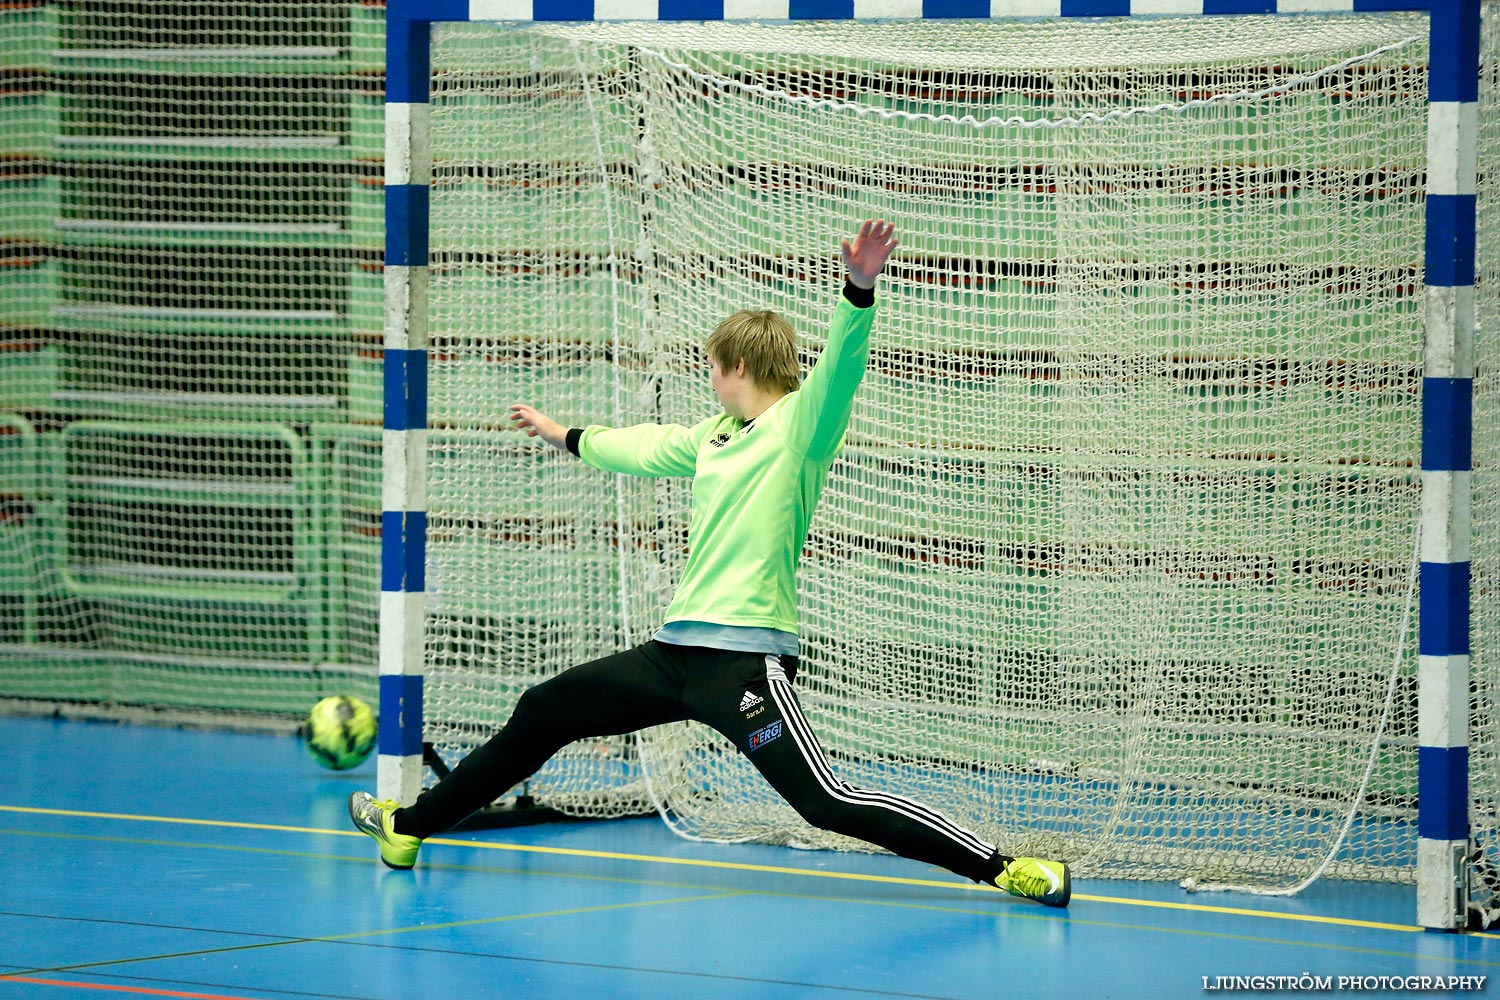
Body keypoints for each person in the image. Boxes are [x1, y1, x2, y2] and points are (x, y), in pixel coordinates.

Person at [349, 219, 1071, 908]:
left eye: (715, 370)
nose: (711, 381)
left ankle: (1005, 868)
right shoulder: (716, 434)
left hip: (742, 669)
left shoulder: (799, 427)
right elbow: (640, 447)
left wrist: (857, 291)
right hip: (672, 658)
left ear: (740, 367)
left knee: (824, 803)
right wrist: (563, 433)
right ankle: (409, 827)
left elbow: (841, 371)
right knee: (544, 711)